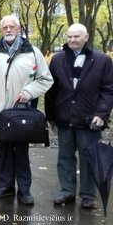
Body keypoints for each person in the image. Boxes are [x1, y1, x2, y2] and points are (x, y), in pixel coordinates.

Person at [0, 14, 53, 205]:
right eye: (4, 27)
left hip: (22, 113)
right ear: (0, 30)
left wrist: (29, 92)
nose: (8, 30)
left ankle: (24, 190)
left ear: (19, 28)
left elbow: (46, 79)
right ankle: (5, 187)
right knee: (4, 151)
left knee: (21, 152)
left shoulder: (33, 52)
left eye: (11, 26)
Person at [45, 23, 113, 209]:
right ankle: (67, 191)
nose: (72, 40)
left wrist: (101, 114)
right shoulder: (58, 59)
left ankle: (88, 195)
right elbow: (51, 90)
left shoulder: (102, 60)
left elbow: (108, 90)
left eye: (76, 36)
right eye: (69, 37)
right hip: (65, 117)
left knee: (89, 157)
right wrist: (50, 116)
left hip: (89, 119)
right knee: (65, 156)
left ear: (86, 37)